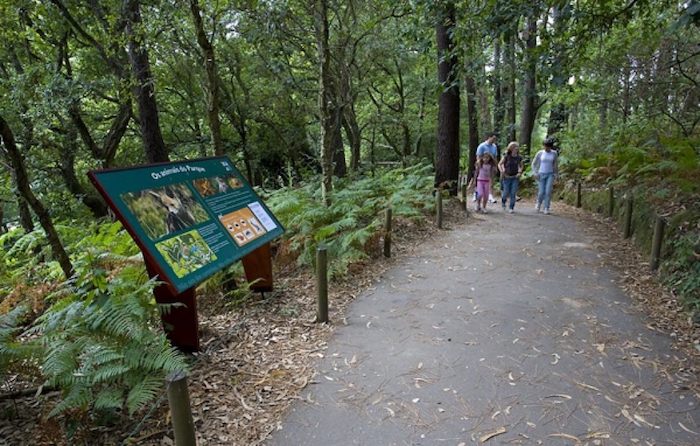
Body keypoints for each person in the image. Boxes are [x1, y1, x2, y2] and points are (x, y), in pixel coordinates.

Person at [531, 138, 559, 215]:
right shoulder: (540, 153)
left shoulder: (554, 153)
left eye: (548, 146)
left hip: (550, 174)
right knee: (541, 192)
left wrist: (556, 174)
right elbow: (534, 163)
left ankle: (546, 207)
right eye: (546, 146)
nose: (547, 148)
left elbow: (555, 164)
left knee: (548, 191)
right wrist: (535, 172)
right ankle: (539, 202)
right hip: (541, 174)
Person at [473, 132, 499, 203]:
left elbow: (495, 156)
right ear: (489, 137)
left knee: (491, 180)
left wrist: (496, 166)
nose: (494, 140)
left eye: (495, 139)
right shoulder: (482, 146)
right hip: (482, 165)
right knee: (479, 179)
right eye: (493, 138)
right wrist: (478, 165)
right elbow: (478, 156)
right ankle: (476, 193)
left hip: (490, 165)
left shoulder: (494, 146)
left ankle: (490, 195)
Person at [498, 142, 523, 213]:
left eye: (517, 147)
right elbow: (500, 164)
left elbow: (521, 166)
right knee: (505, 193)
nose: (516, 148)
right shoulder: (506, 156)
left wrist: (519, 172)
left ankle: (511, 207)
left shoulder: (519, 157)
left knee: (513, 193)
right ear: (511, 148)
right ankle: (503, 202)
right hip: (506, 177)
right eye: (515, 147)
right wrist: (502, 171)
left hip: (515, 177)